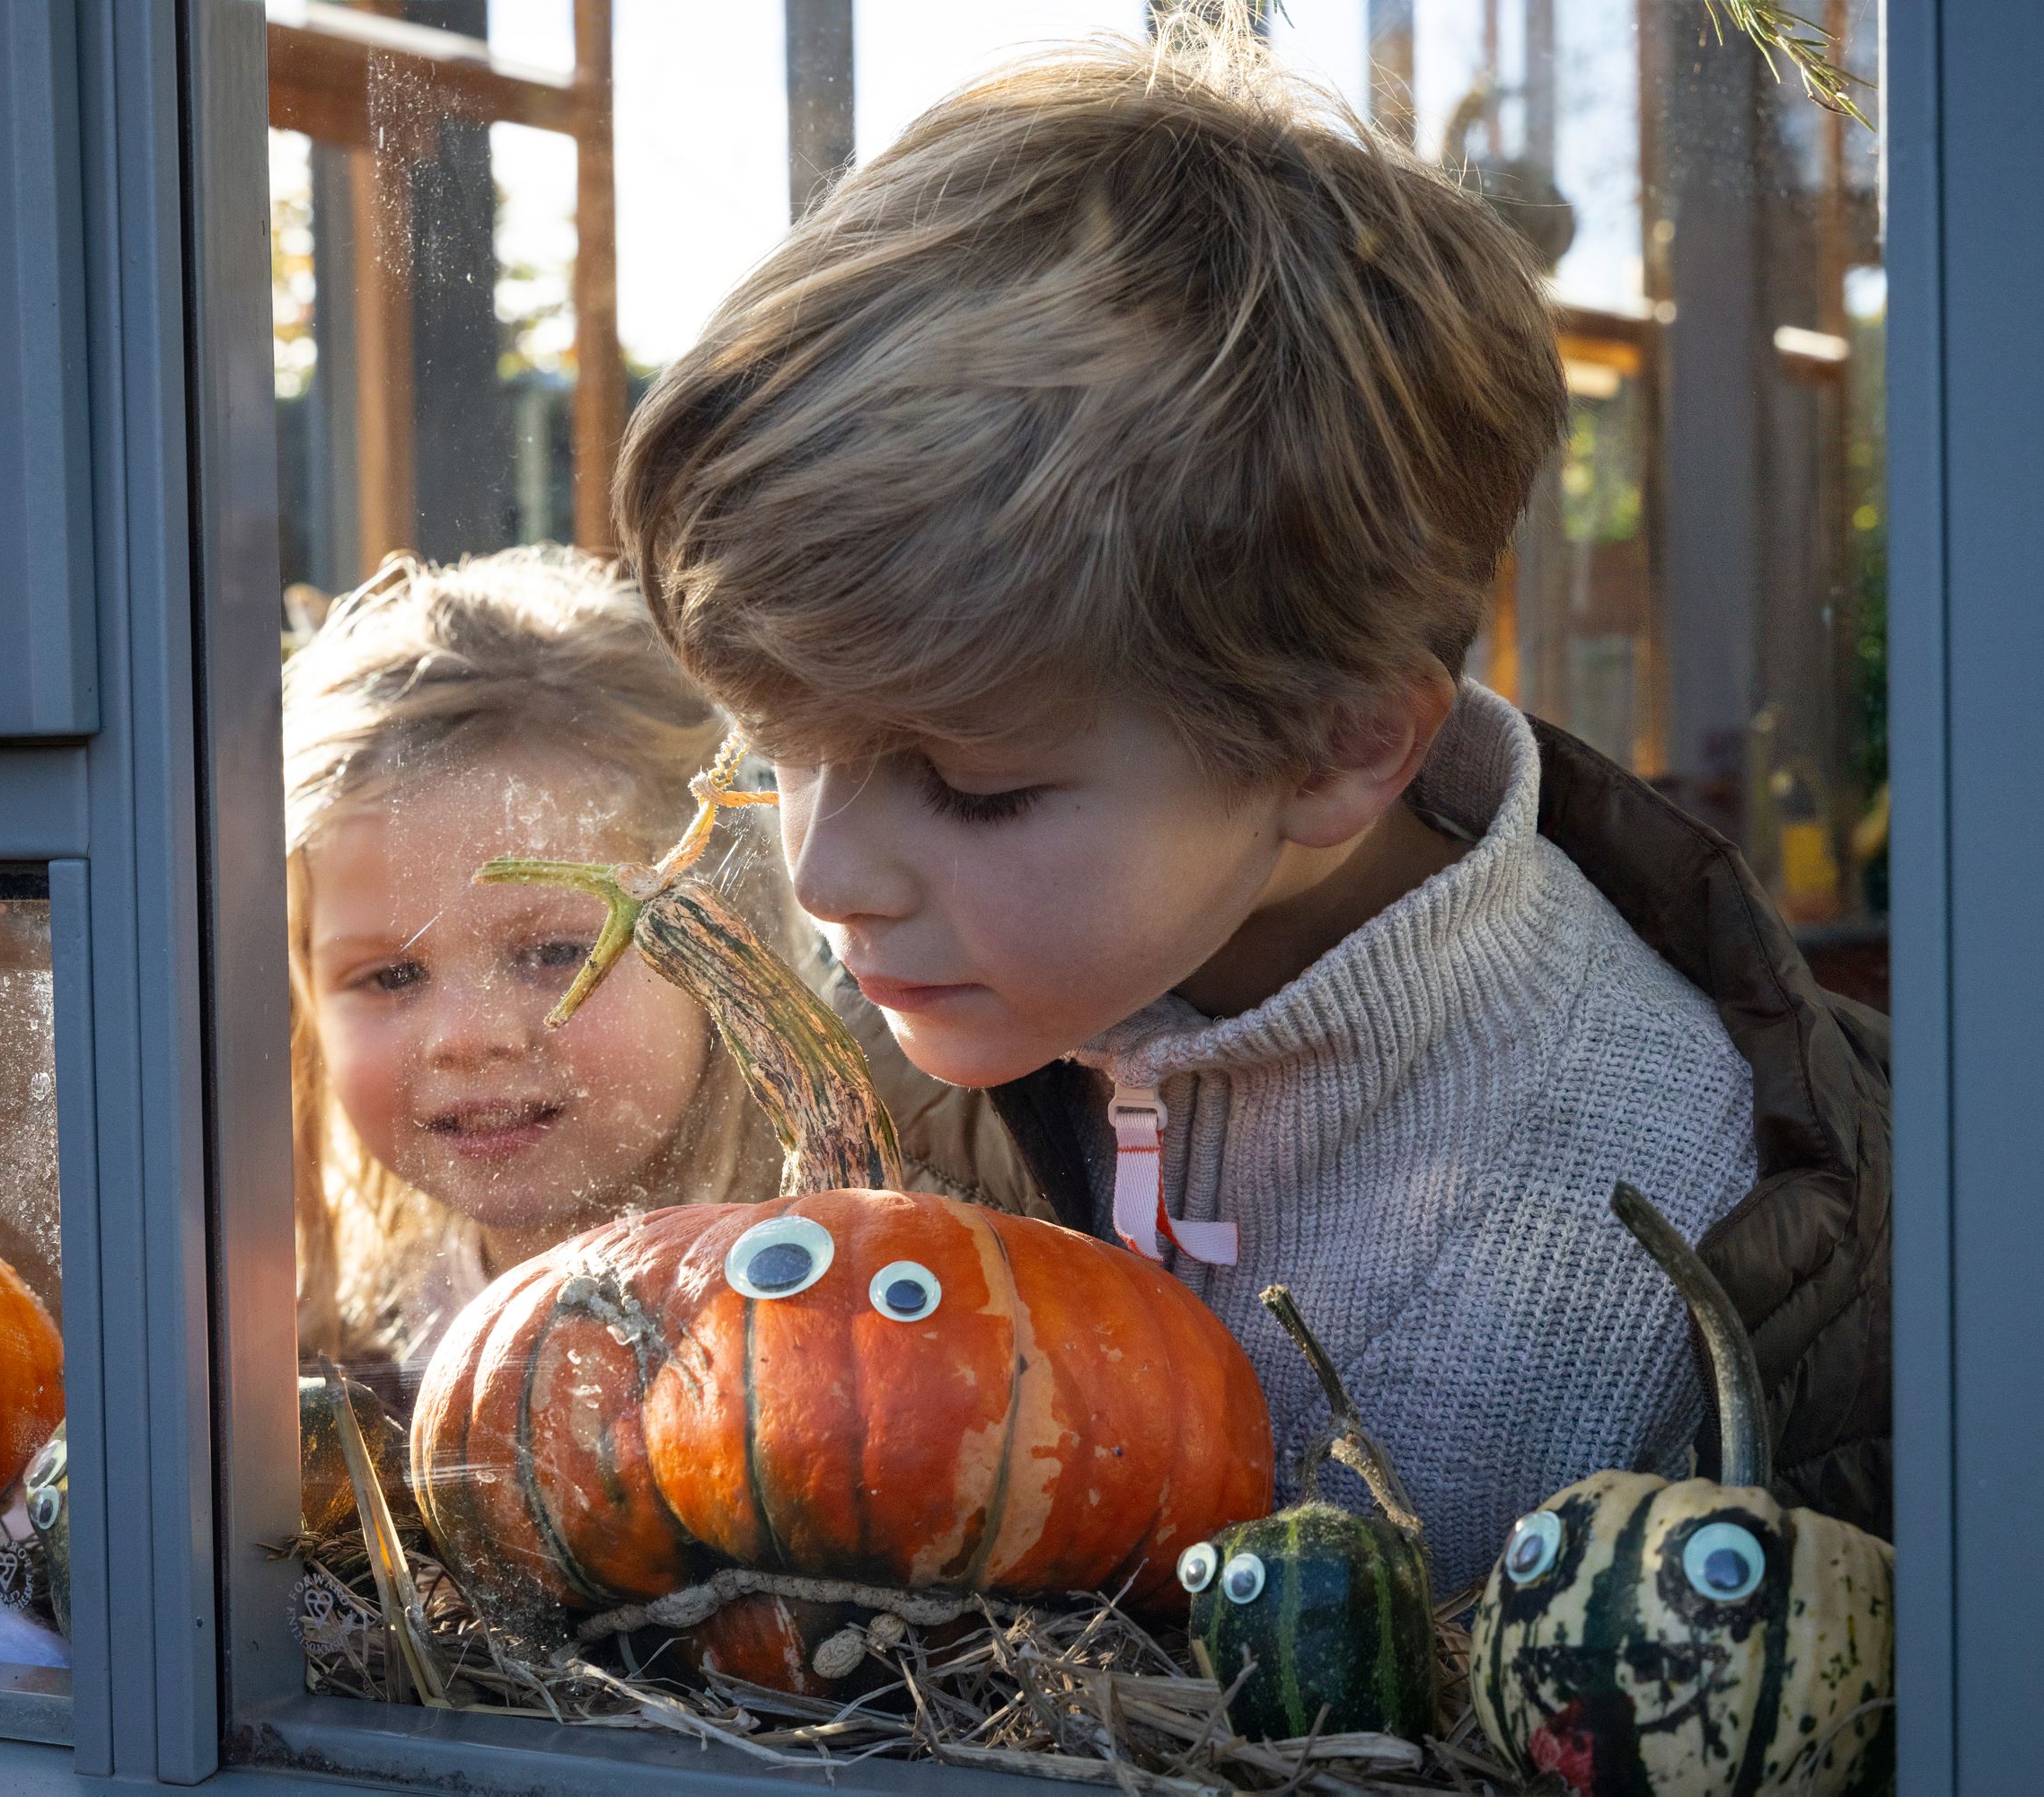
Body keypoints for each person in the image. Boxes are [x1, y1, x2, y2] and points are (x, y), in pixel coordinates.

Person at [612, 16, 1890, 1592]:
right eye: (778, 746)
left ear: (1334, 752)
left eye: (973, 787)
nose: (822, 873)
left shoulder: (1634, 1263)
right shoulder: (897, 1024)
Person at [284, 546, 803, 1381]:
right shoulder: (329, 1363)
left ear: (722, 949)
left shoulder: (830, 1300)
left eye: (559, 953)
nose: (466, 1037)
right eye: (392, 976)